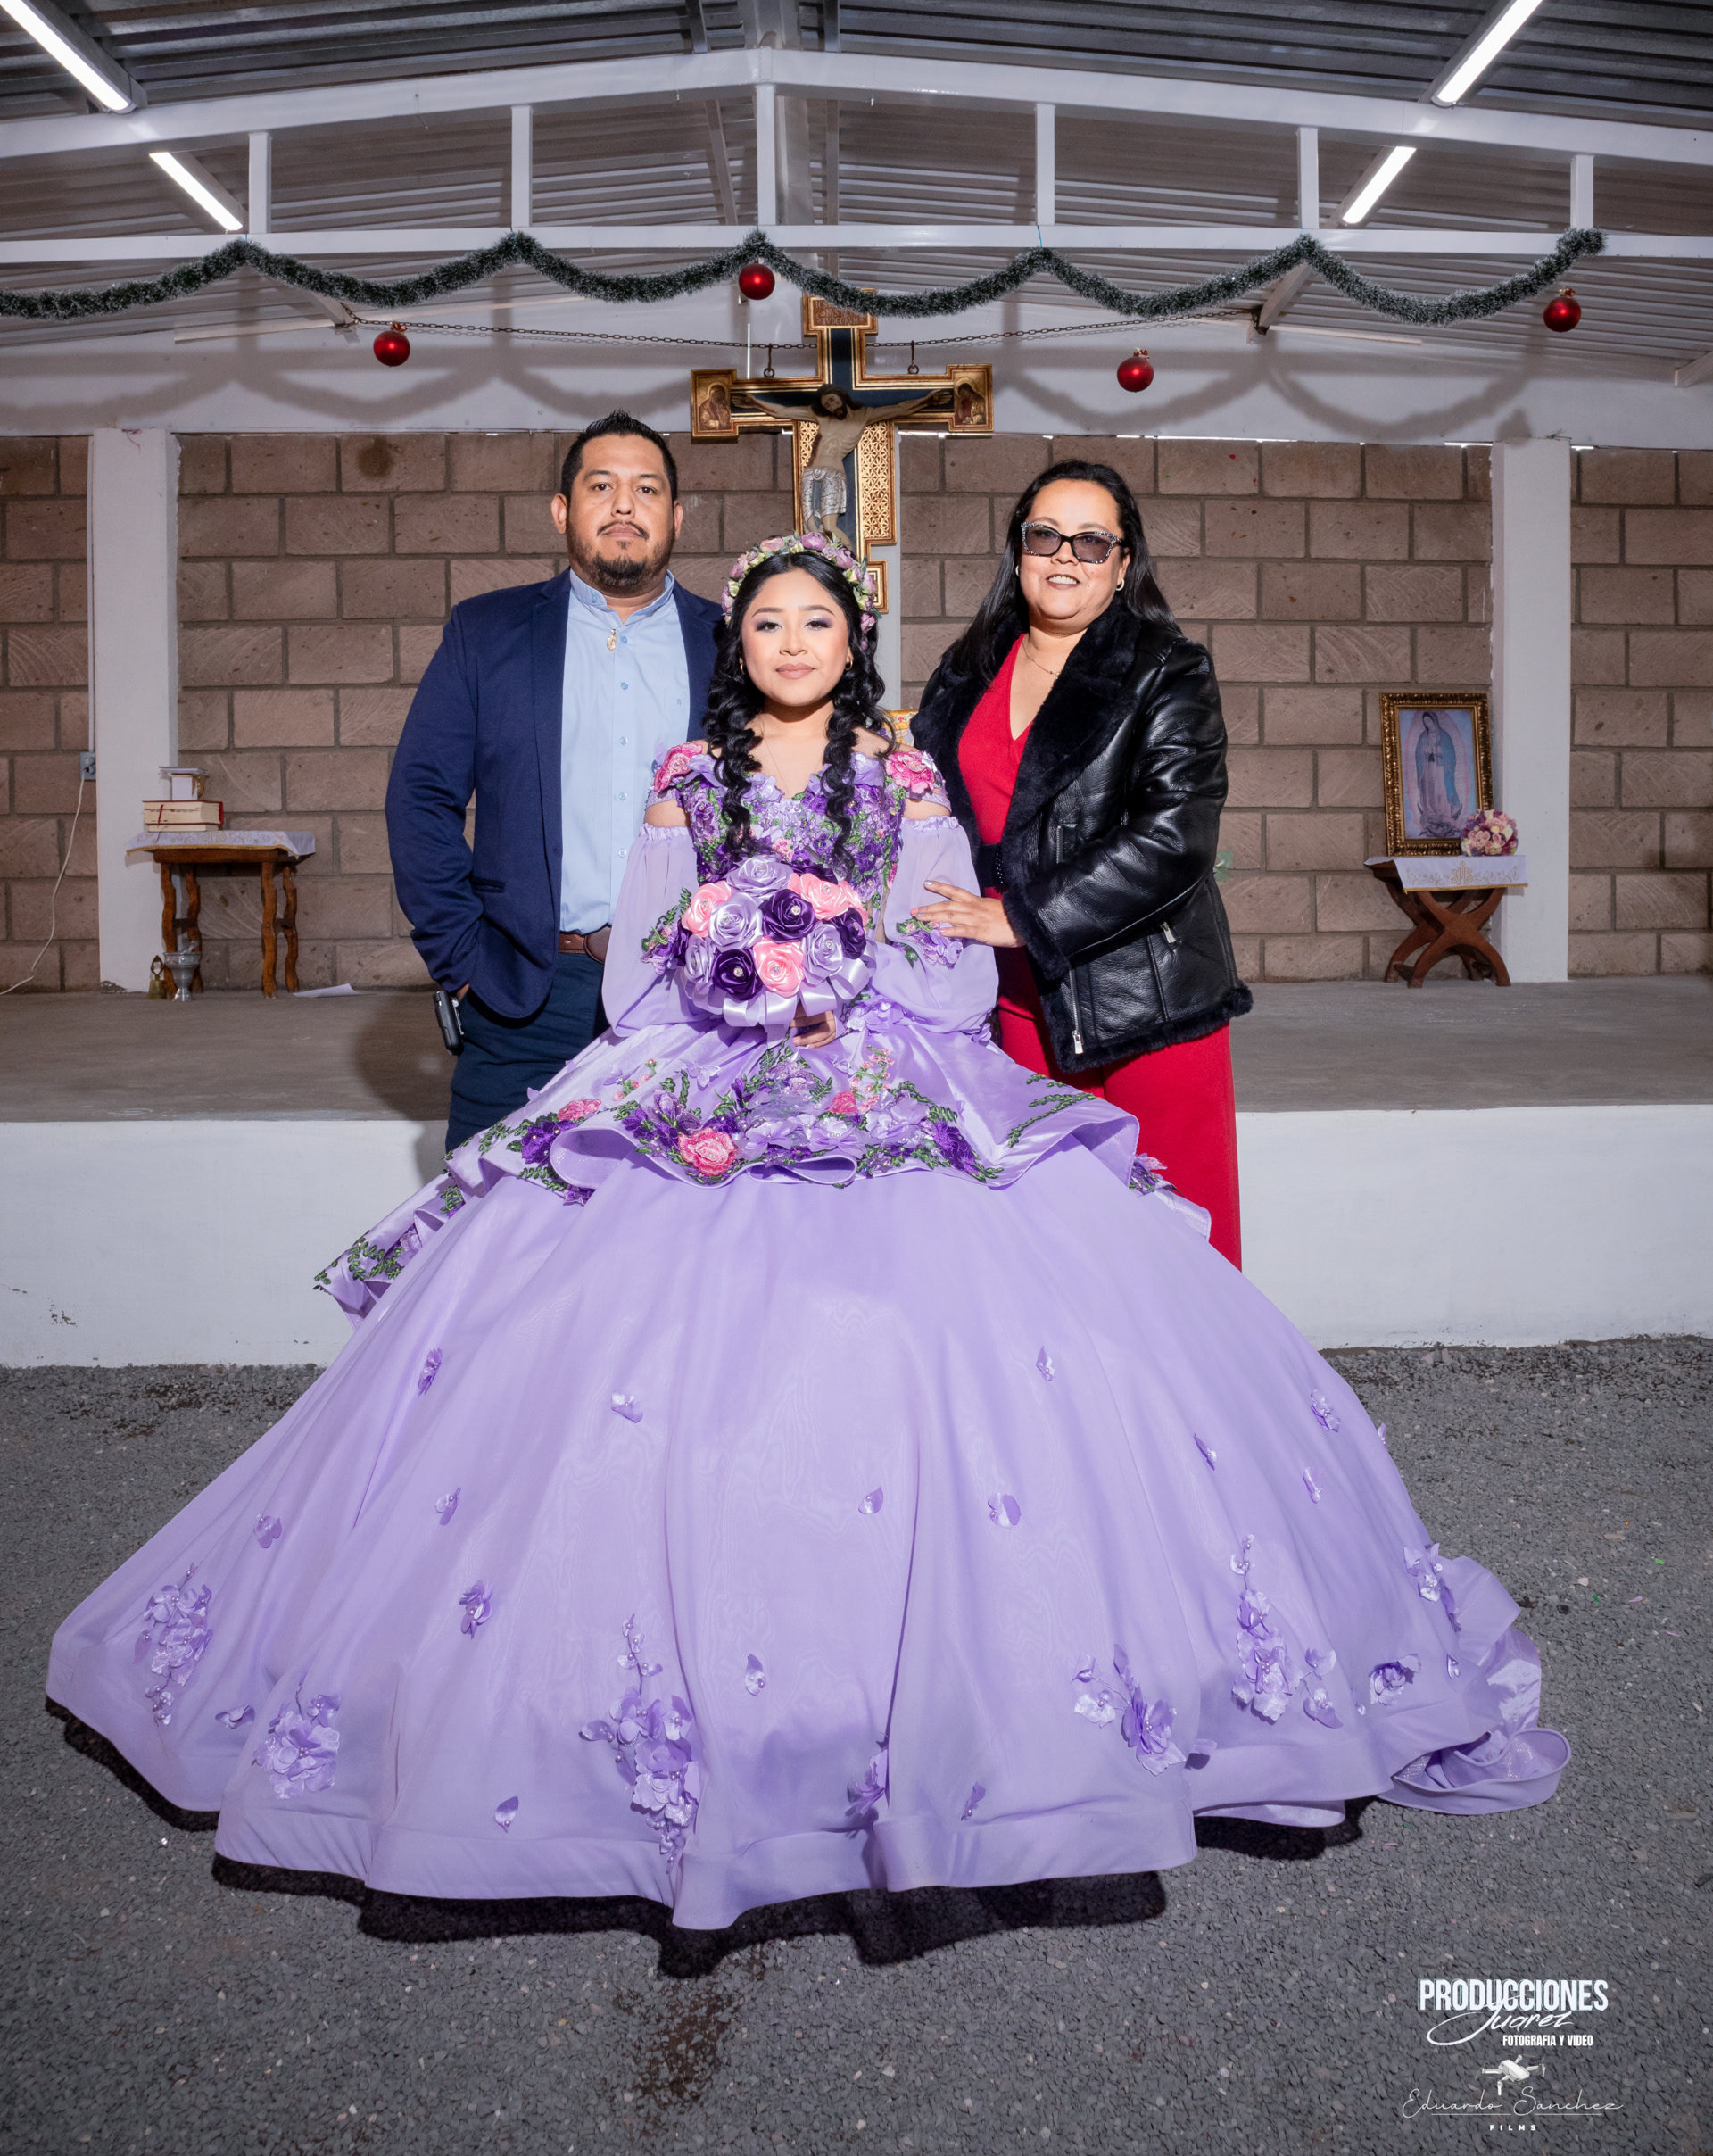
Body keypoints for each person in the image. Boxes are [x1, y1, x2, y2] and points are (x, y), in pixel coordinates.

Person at [47, 532, 1567, 1932]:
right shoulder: (686, 778)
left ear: (853, 641)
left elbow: (953, 973)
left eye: (816, 620)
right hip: (703, 1068)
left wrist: (842, 968)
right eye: (767, 620)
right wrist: (731, 967)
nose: (790, 639)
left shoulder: (904, 776)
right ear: (743, 642)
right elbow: (636, 978)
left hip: (879, 1059)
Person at [911, 460, 1249, 1266]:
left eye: (1092, 542)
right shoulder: (968, 668)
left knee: (1177, 1245)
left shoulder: (1166, 668)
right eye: (1046, 536)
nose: (1066, 556)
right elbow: (919, 801)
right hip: (1014, 1003)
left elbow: (1175, 836)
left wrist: (1021, 917)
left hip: (1141, 1002)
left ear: (1123, 563)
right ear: (1019, 550)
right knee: (1054, 1247)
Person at [385, 411, 721, 1150]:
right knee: (490, 1215)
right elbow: (420, 797)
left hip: (693, 1000)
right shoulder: (486, 633)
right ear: (562, 510)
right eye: (601, 486)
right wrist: (464, 961)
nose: (625, 505)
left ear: (677, 516)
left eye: (647, 488)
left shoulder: (732, 642)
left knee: (677, 1218)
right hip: (526, 1000)